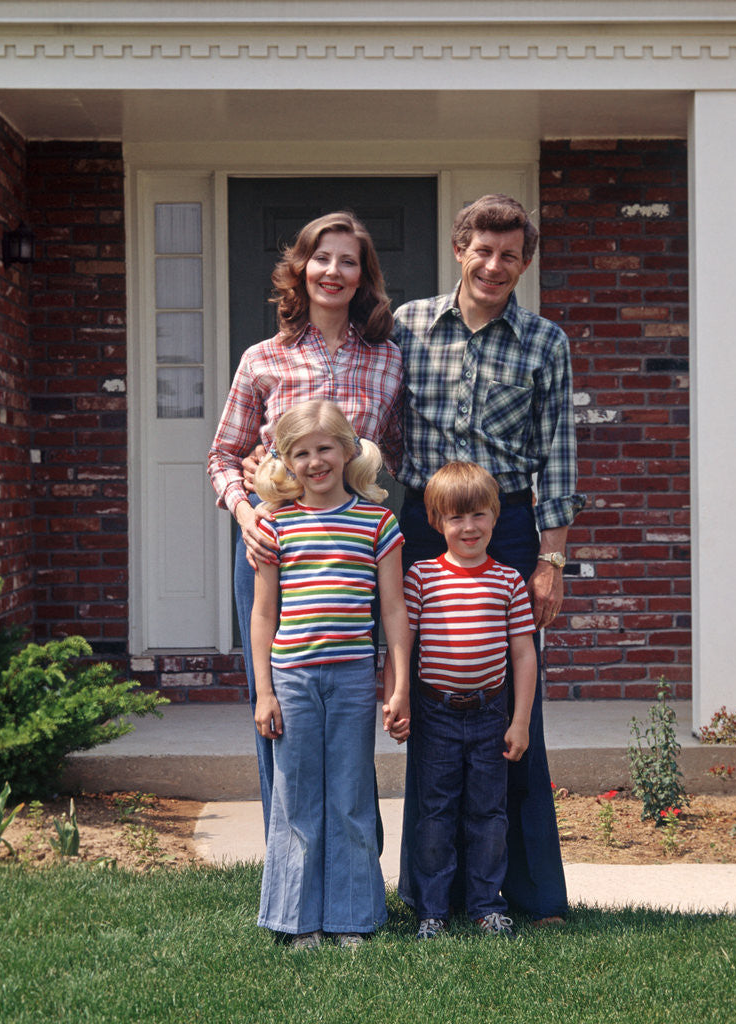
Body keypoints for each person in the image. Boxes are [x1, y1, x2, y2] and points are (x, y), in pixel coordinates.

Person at [393, 194, 584, 924]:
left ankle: (530, 894)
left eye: (510, 255)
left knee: (511, 709)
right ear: (459, 250)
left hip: (505, 529)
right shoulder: (408, 326)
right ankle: (430, 893)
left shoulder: (544, 343)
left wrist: (552, 560)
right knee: (431, 701)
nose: (494, 266)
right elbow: (363, 414)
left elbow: (558, 453)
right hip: (423, 526)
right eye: (483, 250)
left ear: (524, 263)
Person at [207, 211, 404, 835]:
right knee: (277, 710)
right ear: (301, 269)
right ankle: (288, 860)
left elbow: (397, 452)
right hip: (273, 550)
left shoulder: (388, 361)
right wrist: (246, 513)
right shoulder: (262, 359)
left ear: (363, 276)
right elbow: (222, 455)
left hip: (350, 554)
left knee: (349, 706)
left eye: (348, 261)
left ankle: (354, 860)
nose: (333, 271)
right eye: (322, 259)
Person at [250, 398, 411, 949]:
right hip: (292, 678)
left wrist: (398, 684)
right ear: (285, 461)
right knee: (296, 797)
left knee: (350, 796)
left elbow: (393, 610)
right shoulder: (275, 525)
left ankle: (352, 917)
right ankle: (299, 921)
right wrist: (264, 692)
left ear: (347, 451)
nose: (314, 462)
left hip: (352, 677)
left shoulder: (377, 523)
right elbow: (263, 615)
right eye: (301, 453)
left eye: (324, 449)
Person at [405, 462, 537, 941]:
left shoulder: (508, 581)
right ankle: (432, 911)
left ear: (496, 516)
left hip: (490, 714)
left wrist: (520, 721)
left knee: (488, 815)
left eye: (479, 514)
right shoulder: (421, 577)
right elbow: (402, 644)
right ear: (435, 521)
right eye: (455, 517)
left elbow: (524, 654)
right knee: (435, 814)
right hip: (434, 713)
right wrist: (396, 699)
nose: (468, 527)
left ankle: (486, 906)